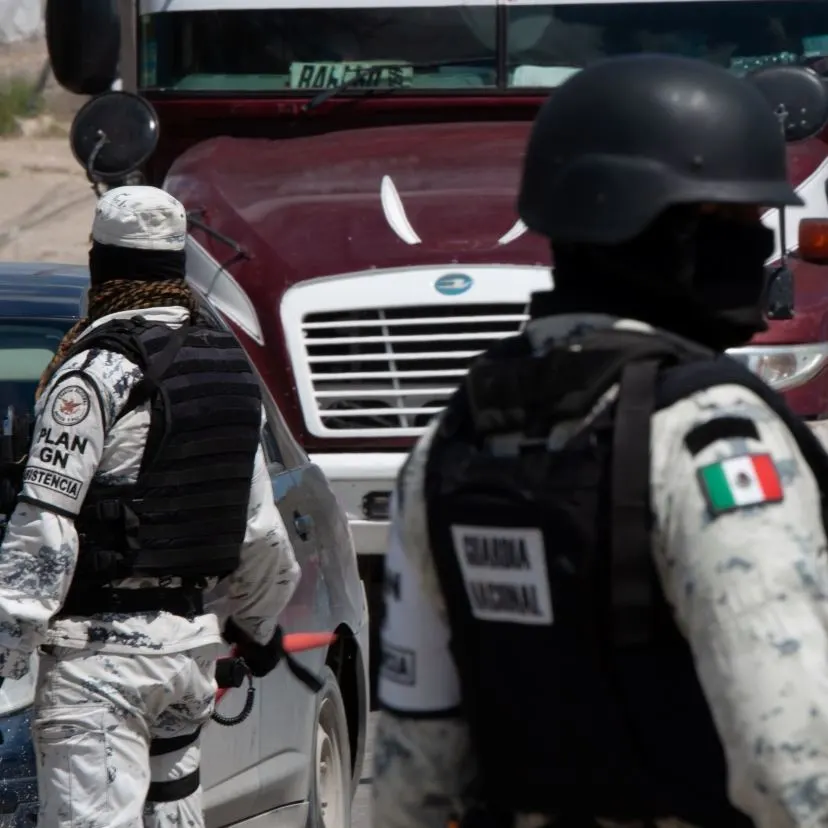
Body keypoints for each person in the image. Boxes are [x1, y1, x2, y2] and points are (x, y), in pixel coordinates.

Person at [372, 53, 828, 828]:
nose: (759, 248)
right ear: (668, 230)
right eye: (742, 222)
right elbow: (792, 760)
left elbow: (413, 769)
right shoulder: (710, 437)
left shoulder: (453, 440)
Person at [0, 185, 301, 828]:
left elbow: (46, 532)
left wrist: (6, 651)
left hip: (98, 667)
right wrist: (257, 627)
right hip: (186, 654)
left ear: (99, 263)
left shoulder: (95, 372)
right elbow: (261, 532)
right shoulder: (223, 366)